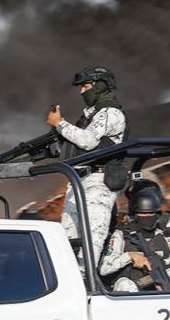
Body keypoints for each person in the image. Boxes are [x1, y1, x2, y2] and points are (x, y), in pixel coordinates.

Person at [49, 66, 129, 260]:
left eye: (85, 86)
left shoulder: (110, 112)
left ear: (99, 86)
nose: (81, 91)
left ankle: (88, 285)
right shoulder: (90, 116)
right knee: (68, 243)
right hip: (79, 182)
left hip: (98, 182)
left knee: (90, 246)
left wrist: (60, 124)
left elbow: (88, 140)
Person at [100, 190, 170, 292]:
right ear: (135, 214)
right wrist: (130, 256)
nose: (147, 216)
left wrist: (164, 281)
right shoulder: (121, 235)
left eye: (151, 213)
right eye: (143, 213)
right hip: (131, 289)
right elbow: (104, 268)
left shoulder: (163, 235)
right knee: (125, 285)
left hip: (158, 286)